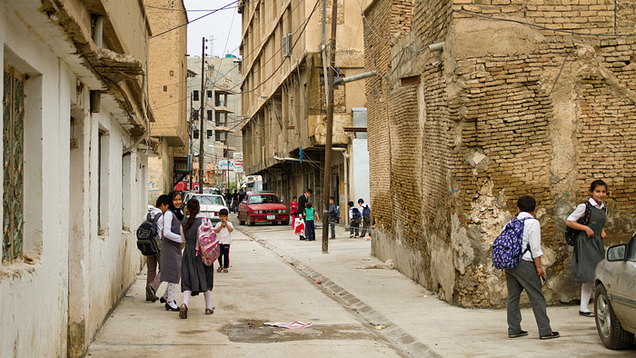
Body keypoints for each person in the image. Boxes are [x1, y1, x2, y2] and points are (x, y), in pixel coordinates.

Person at [505, 195, 559, 340]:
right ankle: (545, 330)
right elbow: (535, 248)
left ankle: (514, 328)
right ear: (535, 209)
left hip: (510, 264)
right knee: (536, 297)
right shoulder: (532, 223)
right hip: (525, 263)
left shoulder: (511, 222)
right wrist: (539, 267)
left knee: (513, 297)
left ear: (517, 208)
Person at [566, 179, 608, 317]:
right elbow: (569, 221)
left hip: (596, 242)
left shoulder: (603, 207)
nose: (600, 194)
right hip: (585, 242)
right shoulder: (584, 207)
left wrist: (601, 230)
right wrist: (586, 228)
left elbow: (599, 223)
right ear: (591, 192)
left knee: (596, 273)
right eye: (597, 191)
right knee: (590, 273)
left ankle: (587, 306)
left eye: (603, 192)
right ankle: (585, 307)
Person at [179, 198, 215, 319]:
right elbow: (211, 236)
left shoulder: (184, 223)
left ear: (187, 210)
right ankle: (208, 307)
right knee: (207, 277)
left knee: (187, 279)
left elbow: (182, 240)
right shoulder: (206, 221)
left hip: (189, 253)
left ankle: (184, 304)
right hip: (204, 253)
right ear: (199, 208)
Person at [160, 191, 184, 311]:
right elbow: (167, 232)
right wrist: (180, 239)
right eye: (175, 200)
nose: (178, 202)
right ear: (171, 201)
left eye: (179, 199)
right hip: (170, 246)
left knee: (176, 271)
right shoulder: (168, 214)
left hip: (176, 246)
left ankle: (166, 296)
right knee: (173, 272)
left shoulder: (179, 212)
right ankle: (169, 300)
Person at [145, 195, 171, 302]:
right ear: (163, 205)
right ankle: (153, 287)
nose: (167, 209)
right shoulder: (162, 217)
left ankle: (149, 295)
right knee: (163, 269)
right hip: (159, 246)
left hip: (148, 245)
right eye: (167, 206)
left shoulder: (147, 215)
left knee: (151, 270)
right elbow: (164, 232)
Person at [215, 209, 234, 273]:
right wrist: (221, 226)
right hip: (219, 241)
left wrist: (226, 224)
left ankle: (225, 267)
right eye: (221, 216)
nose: (223, 218)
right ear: (219, 217)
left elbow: (231, 230)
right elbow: (216, 231)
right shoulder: (218, 224)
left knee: (226, 254)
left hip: (226, 241)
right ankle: (221, 265)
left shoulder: (229, 223)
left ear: (227, 217)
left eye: (224, 216)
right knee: (219, 254)